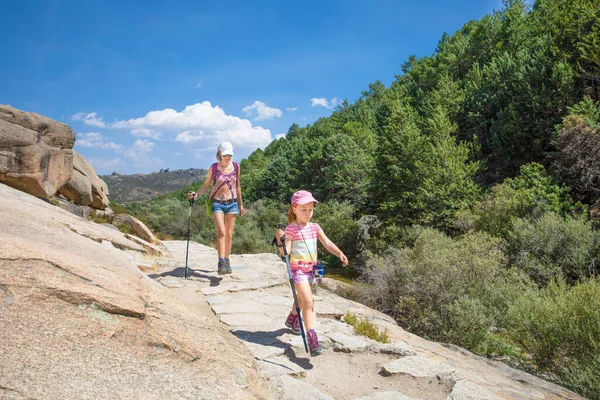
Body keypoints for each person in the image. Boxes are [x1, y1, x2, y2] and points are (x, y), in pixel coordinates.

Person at [275, 190, 348, 356]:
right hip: (298, 270)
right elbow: (285, 252)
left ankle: (292, 318)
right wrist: (280, 241)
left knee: (302, 297)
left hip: (312, 270)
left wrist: (339, 253)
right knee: (308, 302)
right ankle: (312, 337)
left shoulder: (315, 227)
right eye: (304, 210)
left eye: (310, 210)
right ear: (294, 209)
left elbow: (327, 243)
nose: (308, 214)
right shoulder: (291, 229)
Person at [188, 141, 245, 275]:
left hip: (232, 203)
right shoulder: (213, 168)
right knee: (222, 232)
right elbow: (206, 185)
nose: (228, 157)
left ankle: (227, 260)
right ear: (220, 153)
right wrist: (197, 194)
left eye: (230, 155)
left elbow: (238, 186)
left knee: (229, 234)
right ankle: (221, 262)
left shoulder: (236, 167)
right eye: (225, 155)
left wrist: (240, 204)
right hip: (217, 203)